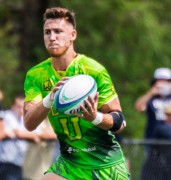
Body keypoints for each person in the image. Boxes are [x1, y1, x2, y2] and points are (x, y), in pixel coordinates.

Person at [23, 7, 129, 180]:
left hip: (105, 164)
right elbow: (29, 123)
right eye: (47, 32)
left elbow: (120, 122)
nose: (52, 37)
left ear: (73, 35)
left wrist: (95, 117)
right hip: (69, 163)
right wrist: (49, 99)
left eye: (58, 31)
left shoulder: (93, 70)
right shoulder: (36, 75)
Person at [135, 67, 171, 153]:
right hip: (152, 140)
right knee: (152, 166)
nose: (163, 84)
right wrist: (151, 93)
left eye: (167, 81)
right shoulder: (151, 99)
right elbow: (139, 107)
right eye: (161, 81)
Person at [0, 95, 39, 180]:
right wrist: (20, 133)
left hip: (18, 163)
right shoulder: (6, 116)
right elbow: (4, 132)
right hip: (4, 161)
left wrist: (17, 133)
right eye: (18, 106)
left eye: (23, 107)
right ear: (12, 105)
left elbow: (36, 135)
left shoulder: (25, 120)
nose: (21, 109)